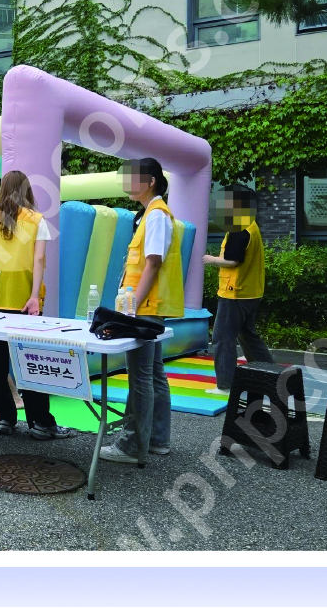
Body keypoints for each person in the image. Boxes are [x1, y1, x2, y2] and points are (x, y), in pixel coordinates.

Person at [0, 170, 74, 441]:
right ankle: (41, 422)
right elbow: (38, 259)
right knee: (31, 364)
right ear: (27, 190)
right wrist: (34, 296)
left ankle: (5, 419)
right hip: (24, 302)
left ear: (2, 189)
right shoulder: (37, 220)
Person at [99, 158, 182, 465]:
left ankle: (133, 445)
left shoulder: (156, 215)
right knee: (154, 373)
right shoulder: (151, 214)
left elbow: (153, 262)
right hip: (147, 306)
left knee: (141, 376)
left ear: (150, 181)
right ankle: (157, 439)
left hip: (144, 308)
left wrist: (131, 307)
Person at [203, 184, 274, 394]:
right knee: (247, 335)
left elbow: (232, 261)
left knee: (222, 338)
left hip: (235, 292)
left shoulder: (239, 227)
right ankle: (270, 373)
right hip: (251, 292)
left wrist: (210, 259)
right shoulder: (251, 225)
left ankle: (226, 385)